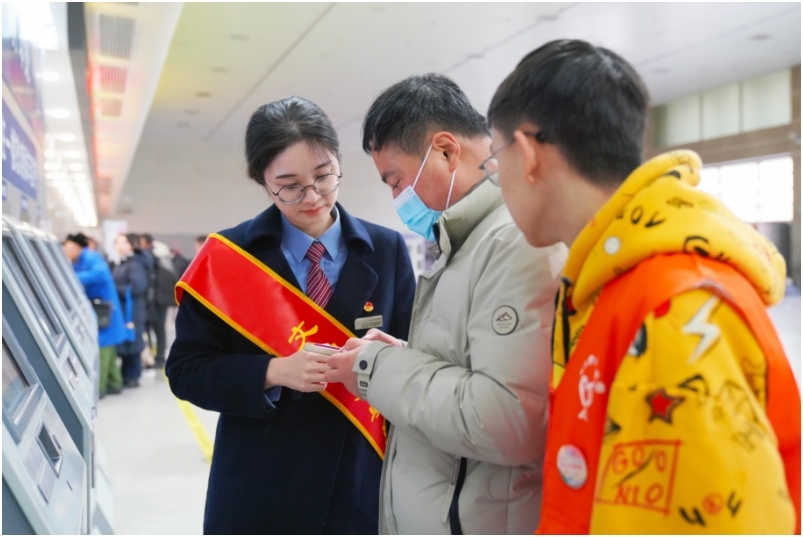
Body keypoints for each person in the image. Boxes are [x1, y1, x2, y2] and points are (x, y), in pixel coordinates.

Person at [486, 39, 800, 534]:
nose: (496, 178)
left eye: (493, 158)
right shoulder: (610, 286)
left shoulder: (672, 310)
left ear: (526, 153)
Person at [324, 74, 568, 534]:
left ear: (446, 150)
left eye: (396, 181)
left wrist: (377, 367)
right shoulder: (465, 240)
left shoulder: (516, 241)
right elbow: (465, 366)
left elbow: (506, 420)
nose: (398, 199)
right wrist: (400, 355)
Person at [165, 96, 416, 534]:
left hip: (356, 475)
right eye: (290, 185)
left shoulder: (387, 249)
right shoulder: (228, 257)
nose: (312, 197)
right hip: (260, 481)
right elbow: (186, 370)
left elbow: (415, 353)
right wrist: (274, 371)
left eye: (324, 177)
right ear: (262, 180)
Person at [63, 232, 127, 398]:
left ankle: (99, 388)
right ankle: (115, 382)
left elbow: (100, 275)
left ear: (78, 246)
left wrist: (69, 277)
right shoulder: (77, 261)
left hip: (105, 310)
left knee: (104, 347)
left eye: (68, 247)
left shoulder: (92, 258)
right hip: (98, 309)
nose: (66, 250)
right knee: (109, 348)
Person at [111, 233, 150, 388]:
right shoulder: (121, 263)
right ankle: (127, 374)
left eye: (123, 243)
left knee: (133, 341)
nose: (120, 246)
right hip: (123, 308)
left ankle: (133, 375)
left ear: (131, 245)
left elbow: (137, 286)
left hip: (132, 309)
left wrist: (114, 290)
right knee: (126, 341)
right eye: (118, 242)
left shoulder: (134, 264)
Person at [139, 233, 178, 368]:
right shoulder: (161, 255)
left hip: (155, 300)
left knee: (156, 329)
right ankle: (157, 357)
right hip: (160, 300)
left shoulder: (150, 257)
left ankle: (158, 357)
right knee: (157, 329)